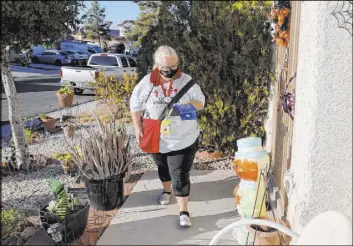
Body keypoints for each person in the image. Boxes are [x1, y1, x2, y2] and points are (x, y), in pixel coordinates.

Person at [130, 45, 205, 227]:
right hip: (156, 137)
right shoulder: (147, 82)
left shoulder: (187, 81)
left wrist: (186, 106)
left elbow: (201, 102)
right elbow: (135, 105)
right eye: (166, 68)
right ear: (157, 65)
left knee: (179, 172)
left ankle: (183, 210)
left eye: (174, 66)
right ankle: (166, 191)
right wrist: (137, 127)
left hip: (182, 138)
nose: (170, 71)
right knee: (162, 167)